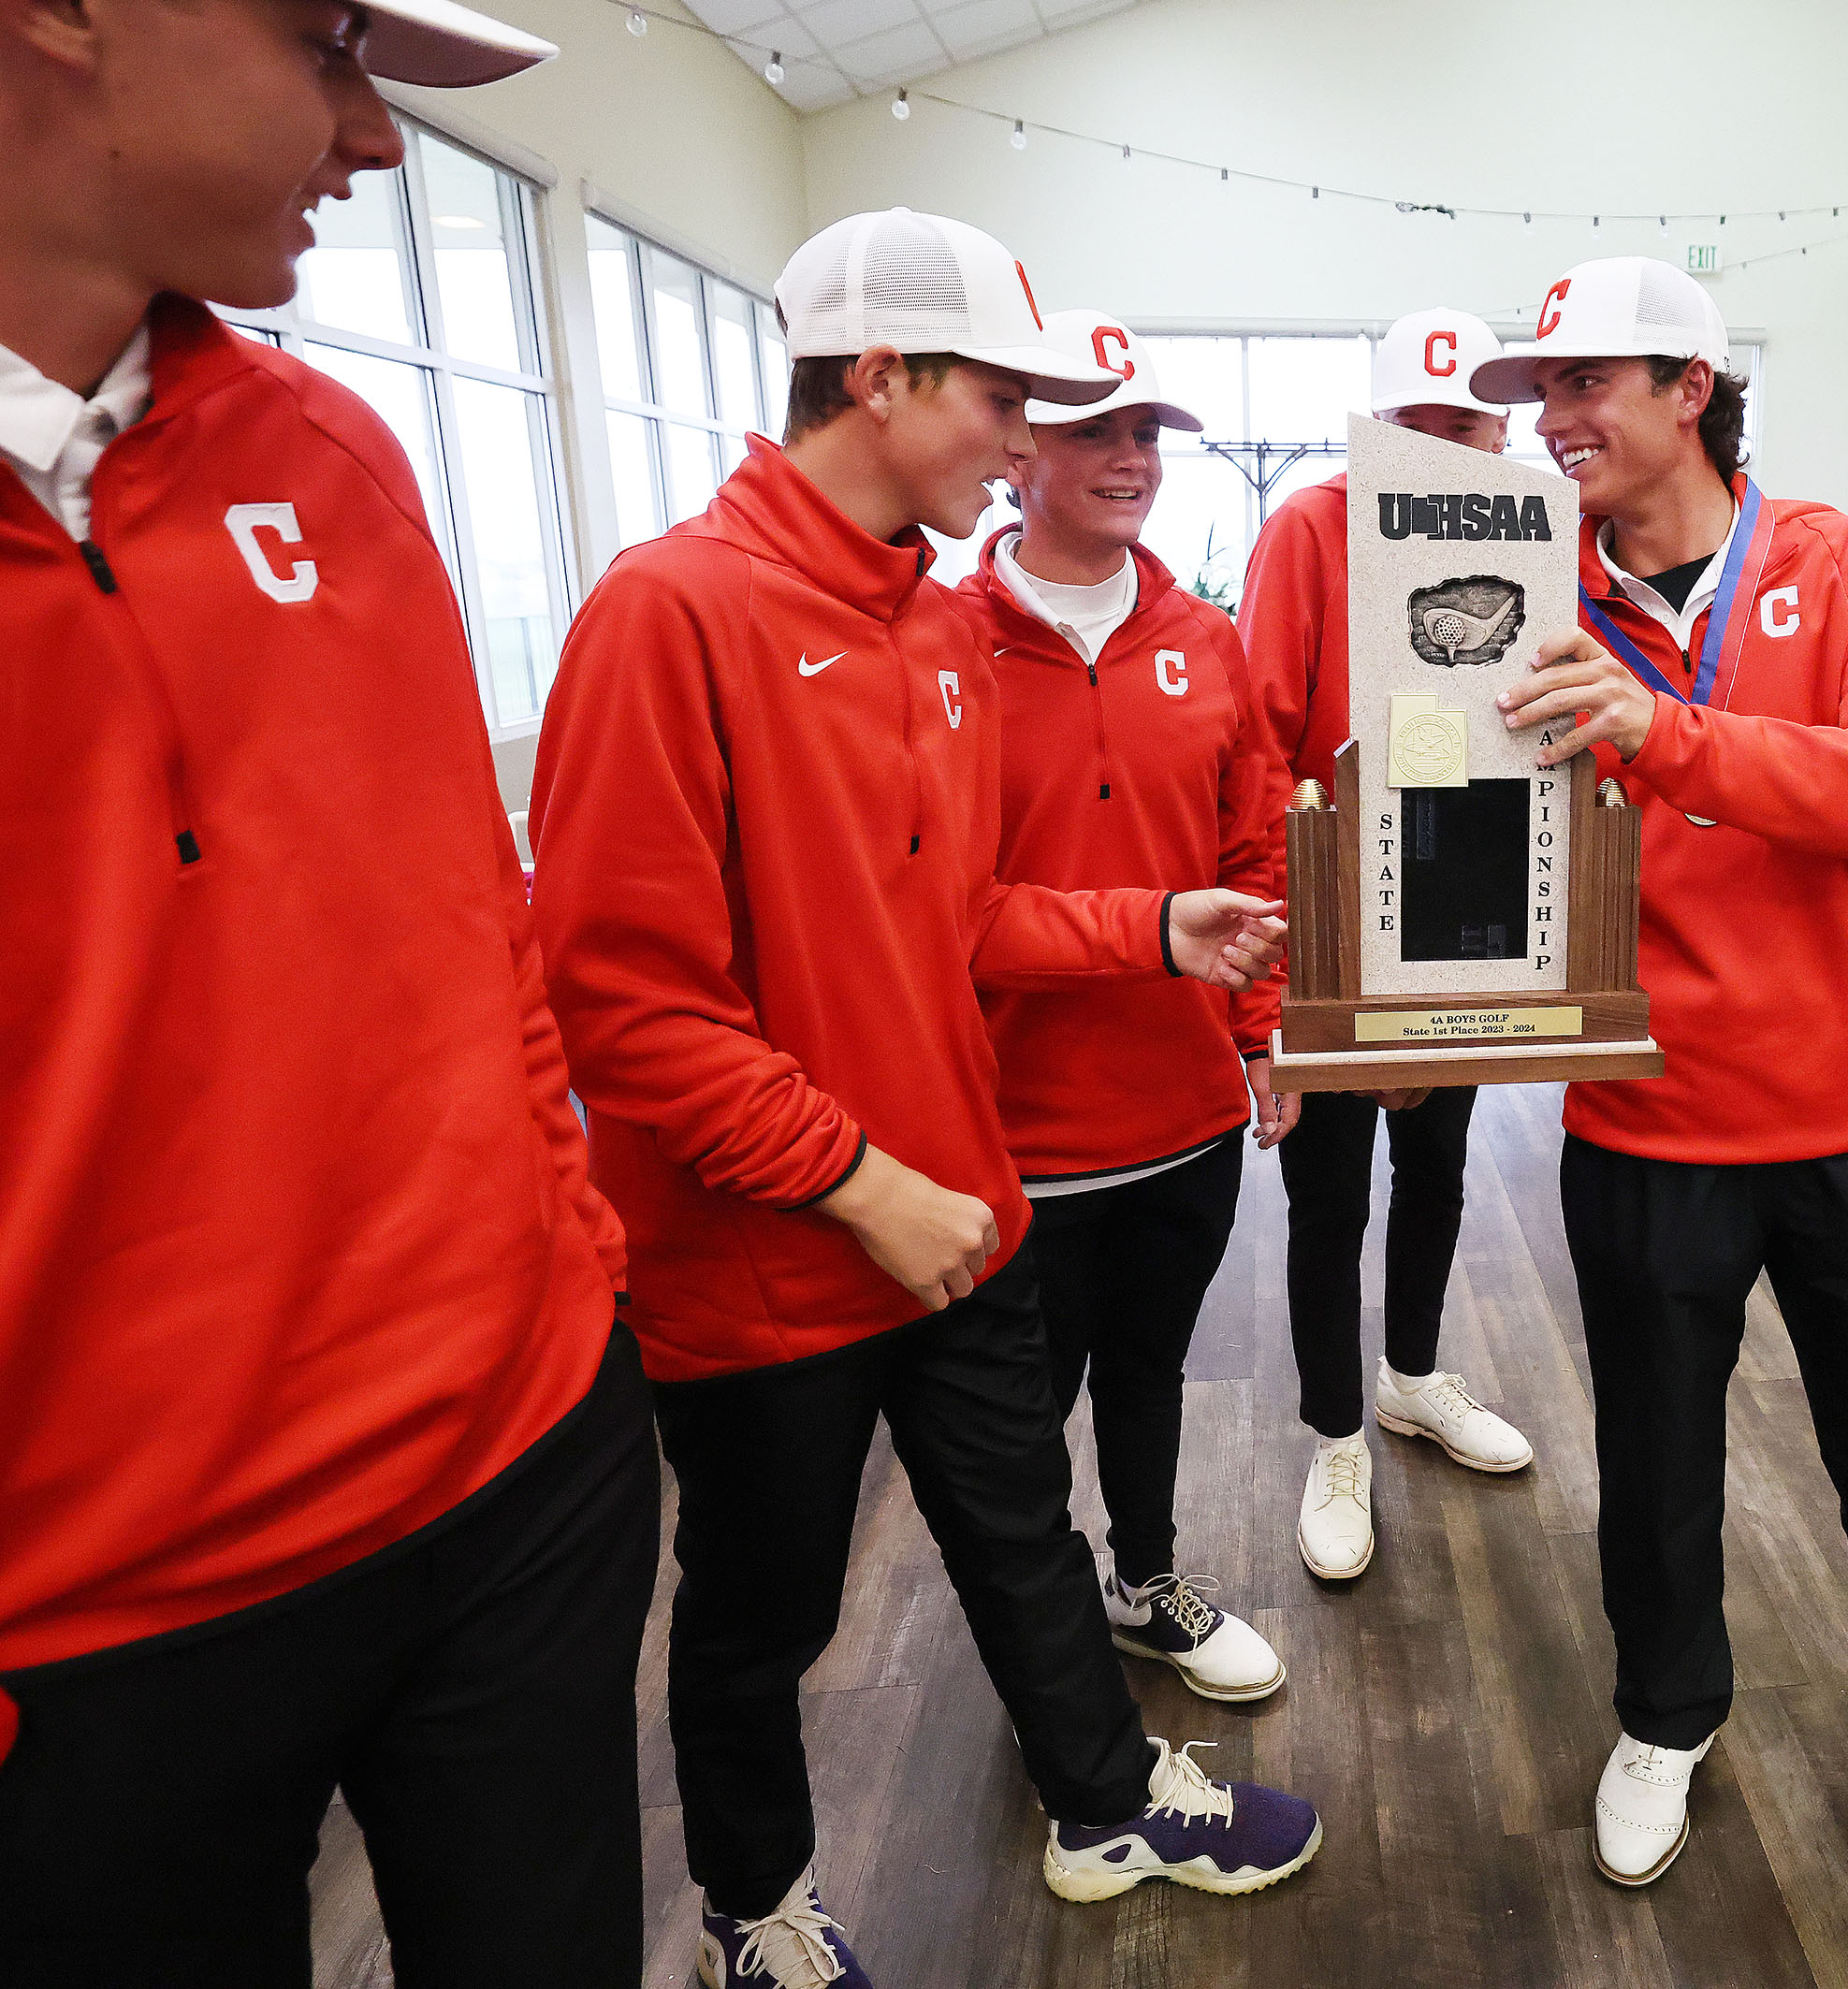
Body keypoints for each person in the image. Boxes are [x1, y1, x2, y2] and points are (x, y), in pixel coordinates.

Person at [532, 210, 1319, 1989]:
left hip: (962, 1212)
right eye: (1004, 400)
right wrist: (854, 1178)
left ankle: (1108, 1796)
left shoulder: (931, 634)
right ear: (879, 380)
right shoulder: (669, 614)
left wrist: (1158, 923)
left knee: (1025, 1538)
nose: (1026, 438)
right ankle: (755, 1902)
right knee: (763, 1615)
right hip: (768, 1259)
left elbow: (958, 919)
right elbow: (623, 1003)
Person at [0, 1, 660, 1981]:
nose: (373, 138)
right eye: (325, 43)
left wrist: (570, 1284)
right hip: (91, 1627)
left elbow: (481, 925)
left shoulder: (337, 452)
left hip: (513, 1476)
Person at [1471, 257, 1848, 1880]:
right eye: (1542, 389)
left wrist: (1670, 737)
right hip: (1646, 1113)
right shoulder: (1514, 590)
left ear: (1691, 390)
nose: (1555, 415)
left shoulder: (1844, 560)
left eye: (1591, 382)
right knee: (1656, 1463)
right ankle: (1665, 1712)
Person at [956, 310, 1290, 1703]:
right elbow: (926, 898)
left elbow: (1254, 853)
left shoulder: (1207, 642)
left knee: (1149, 1375)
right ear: (1016, 442)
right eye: (1097, 425)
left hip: (1181, 1118)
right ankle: (1047, 1661)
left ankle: (1147, 1582)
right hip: (1004, 1132)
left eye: (1148, 430)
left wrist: (1263, 1033)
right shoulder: (935, 640)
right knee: (1015, 1422)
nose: (1132, 456)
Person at [1236, 306, 1535, 1586]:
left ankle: (1410, 1374)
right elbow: (1258, 750)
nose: (1444, 448)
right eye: (1417, 427)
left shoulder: (1519, 531)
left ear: (1499, 432)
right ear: (1374, 431)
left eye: (1467, 426)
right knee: (1327, 1191)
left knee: (1439, 1163)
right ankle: (1336, 1431)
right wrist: (1283, 980)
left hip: (1458, 903)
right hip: (1330, 917)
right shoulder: (1311, 529)